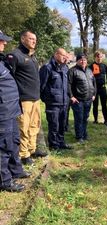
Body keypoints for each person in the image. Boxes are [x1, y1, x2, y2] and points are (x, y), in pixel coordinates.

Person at [7, 30, 47, 165]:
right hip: (23, 99)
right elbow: (9, 78)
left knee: (34, 125)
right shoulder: (15, 55)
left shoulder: (32, 56)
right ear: (23, 39)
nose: (34, 41)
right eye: (31, 39)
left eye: (35, 39)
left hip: (35, 98)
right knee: (23, 127)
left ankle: (31, 149)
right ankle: (24, 155)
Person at [0, 31, 30, 192]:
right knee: (3, 147)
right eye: (2, 41)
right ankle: (4, 181)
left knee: (13, 142)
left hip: (11, 110)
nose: (4, 44)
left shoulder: (2, 61)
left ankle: (16, 171)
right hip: (3, 112)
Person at [39, 48, 73, 150]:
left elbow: (66, 85)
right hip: (53, 103)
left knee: (62, 124)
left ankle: (61, 142)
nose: (65, 57)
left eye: (66, 56)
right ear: (56, 54)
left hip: (64, 102)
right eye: (63, 55)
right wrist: (47, 99)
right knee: (54, 125)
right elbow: (41, 86)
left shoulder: (65, 68)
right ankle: (54, 145)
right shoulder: (47, 68)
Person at [68, 53, 96, 143]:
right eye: (81, 60)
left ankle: (84, 134)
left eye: (84, 60)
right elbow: (68, 85)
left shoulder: (89, 70)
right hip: (78, 100)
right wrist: (71, 96)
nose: (83, 61)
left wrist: (94, 94)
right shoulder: (72, 71)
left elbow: (93, 83)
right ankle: (79, 136)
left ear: (86, 61)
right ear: (77, 61)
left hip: (88, 99)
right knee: (79, 118)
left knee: (85, 118)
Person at [89, 51, 107, 127]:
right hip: (94, 89)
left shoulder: (104, 66)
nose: (99, 58)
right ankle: (95, 120)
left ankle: (106, 120)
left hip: (102, 88)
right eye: (98, 56)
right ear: (95, 57)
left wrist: (105, 82)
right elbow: (88, 78)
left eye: (101, 57)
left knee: (104, 105)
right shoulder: (91, 66)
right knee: (95, 105)